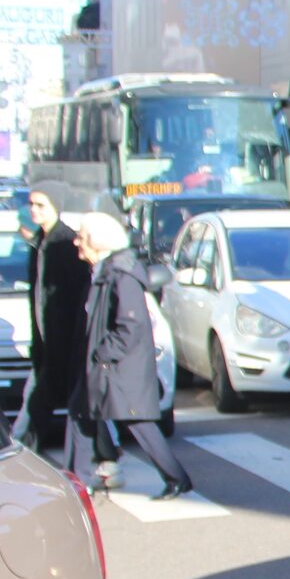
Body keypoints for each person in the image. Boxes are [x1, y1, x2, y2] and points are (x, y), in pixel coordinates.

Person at [68, 213, 192, 499]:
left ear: (98, 242)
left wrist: (102, 353)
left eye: (82, 237)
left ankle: (176, 477)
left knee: (137, 422)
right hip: (106, 364)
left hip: (117, 366)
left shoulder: (120, 275)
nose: (77, 243)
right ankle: (80, 478)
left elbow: (131, 324)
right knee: (82, 414)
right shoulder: (106, 270)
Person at [17, 181, 90, 453]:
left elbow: (73, 295)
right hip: (46, 341)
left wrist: (70, 338)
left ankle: (25, 452)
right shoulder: (40, 242)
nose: (34, 210)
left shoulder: (65, 242)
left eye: (41, 205)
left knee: (49, 403)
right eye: (32, 204)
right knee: (45, 402)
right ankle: (103, 452)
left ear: (55, 207)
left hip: (65, 341)